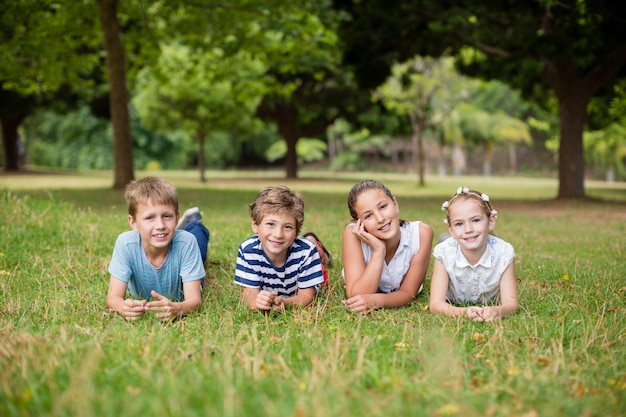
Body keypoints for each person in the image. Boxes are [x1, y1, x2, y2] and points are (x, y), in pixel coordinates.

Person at [106, 176, 210, 322]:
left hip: (185, 244)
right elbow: (113, 298)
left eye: (167, 216)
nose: (160, 224)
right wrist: (123, 307)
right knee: (178, 237)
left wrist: (178, 308)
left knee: (199, 244)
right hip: (170, 238)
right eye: (150, 218)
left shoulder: (187, 243)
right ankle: (181, 224)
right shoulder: (125, 244)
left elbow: (194, 300)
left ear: (176, 217)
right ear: (133, 222)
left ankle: (193, 222)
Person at [341, 180, 433, 314]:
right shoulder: (352, 235)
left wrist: (378, 301)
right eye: (368, 215)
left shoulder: (421, 234)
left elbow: (408, 293)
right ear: (359, 224)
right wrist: (378, 252)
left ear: (395, 204)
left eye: (383, 206)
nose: (380, 218)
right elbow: (357, 295)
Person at [429, 186, 518, 322]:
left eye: (476, 220)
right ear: (451, 229)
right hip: (451, 246)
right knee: (447, 243)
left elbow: (511, 303)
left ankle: (493, 238)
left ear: (491, 221)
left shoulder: (504, 254)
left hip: (493, 247)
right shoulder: (443, 254)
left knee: (495, 244)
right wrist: (462, 312)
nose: (468, 229)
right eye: (459, 224)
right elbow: (435, 304)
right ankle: (446, 238)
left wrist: (498, 311)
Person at [234, 185, 326, 312]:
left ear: (296, 230)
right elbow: (249, 296)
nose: (278, 234)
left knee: (321, 269)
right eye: (271, 224)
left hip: (307, 258)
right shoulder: (248, 251)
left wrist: (285, 302)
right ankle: (310, 238)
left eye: (287, 227)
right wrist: (258, 303)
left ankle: (316, 245)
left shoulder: (307, 252)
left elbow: (306, 296)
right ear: (255, 225)